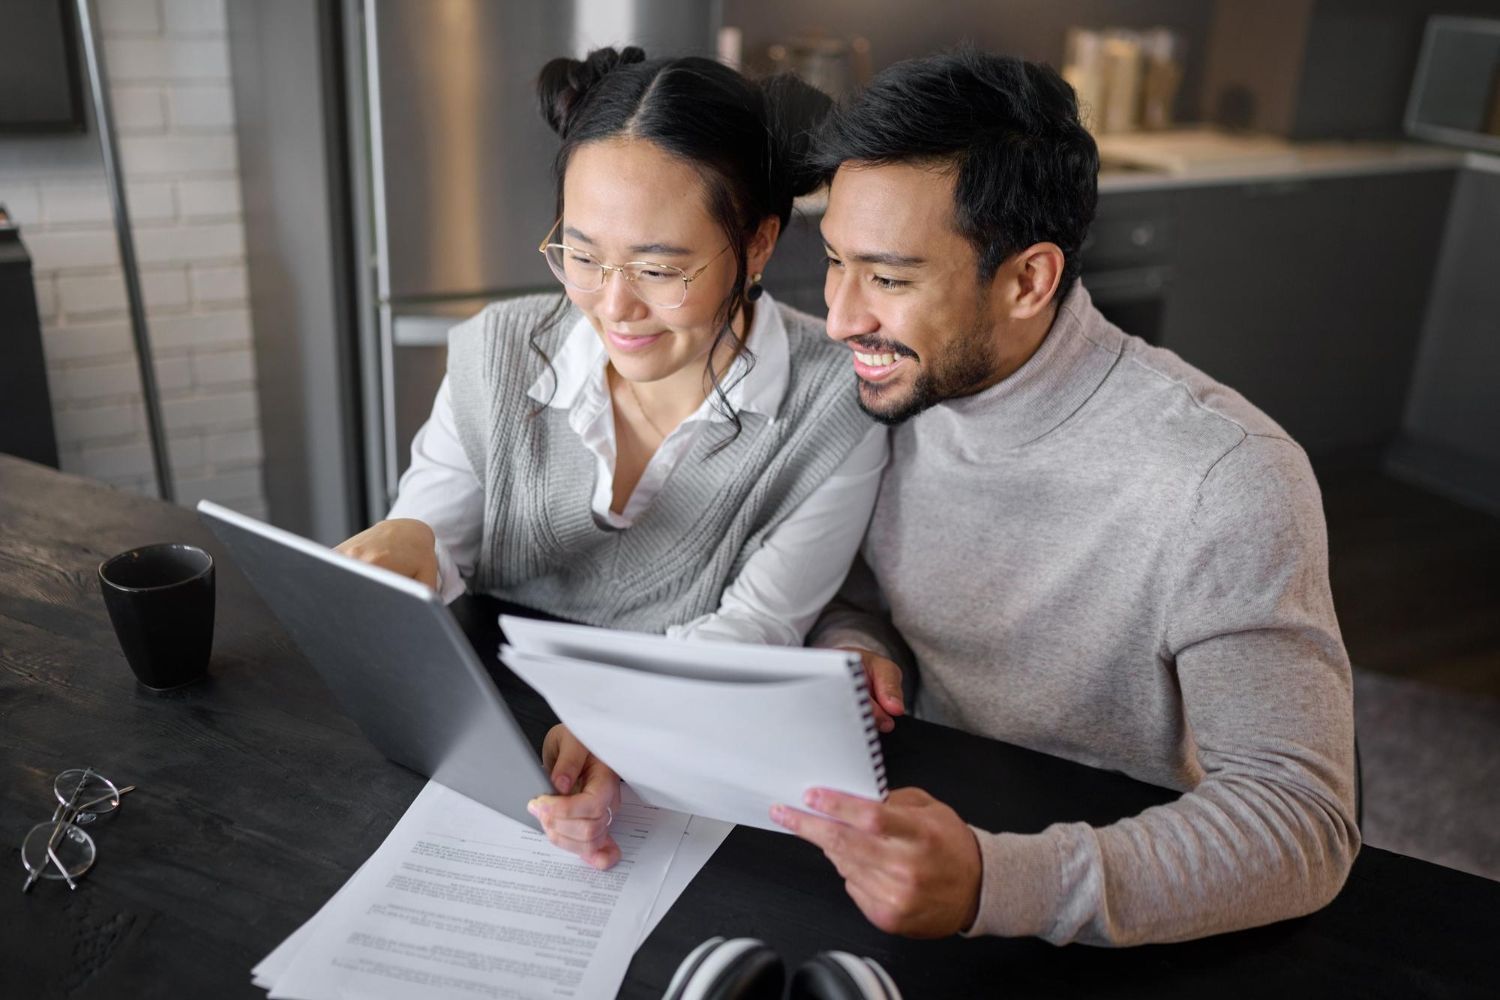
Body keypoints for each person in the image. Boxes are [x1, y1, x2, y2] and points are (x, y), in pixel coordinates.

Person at [764, 48, 1360, 946]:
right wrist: (859, 641)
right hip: (924, 816)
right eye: (837, 261)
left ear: (1028, 280)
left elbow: (1297, 821)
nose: (843, 315)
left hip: (1120, 892)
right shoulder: (883, 392)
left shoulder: (1226, 477)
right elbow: (856, 589)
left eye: (888, 278)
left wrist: (996, 884)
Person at [335, 47, 886, 867]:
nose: (614, 305)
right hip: (488, 740)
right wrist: (409, 539)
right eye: (583, 255)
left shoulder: (834, 406)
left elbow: (759, 624)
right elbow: (436, 516)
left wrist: (622, 727)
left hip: (681, 758)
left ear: (760, 244)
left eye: (659, 268)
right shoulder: (499, 351)